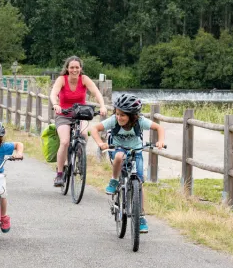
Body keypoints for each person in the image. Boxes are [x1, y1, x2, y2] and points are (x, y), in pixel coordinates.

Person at [89, 92, 165, 234]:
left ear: (132, 116)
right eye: (117, 114)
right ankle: (114, 180)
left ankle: (141, 216)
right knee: (119, 155)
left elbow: (159, 128)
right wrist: (100, 143)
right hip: (117, 148)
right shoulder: (113, 121)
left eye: (123, 115)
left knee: (139, 183)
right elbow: (95, 129)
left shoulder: (140, 122)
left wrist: (160, 141)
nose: (119, 118)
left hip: (136, 152)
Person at [49, 56, 108, 187]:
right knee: (64, 141)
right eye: (72, 67)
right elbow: (53, 94)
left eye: (77, 67)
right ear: (67, 68)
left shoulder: (84, 79)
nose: (74, 70)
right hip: (63, 114)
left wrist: (102, 105)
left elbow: (97, 93)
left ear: (80, 68)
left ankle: (80, 155)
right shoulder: (61, 80)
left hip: (80, 113)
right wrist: (55, 104)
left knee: (83, 135)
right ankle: (59, 174)